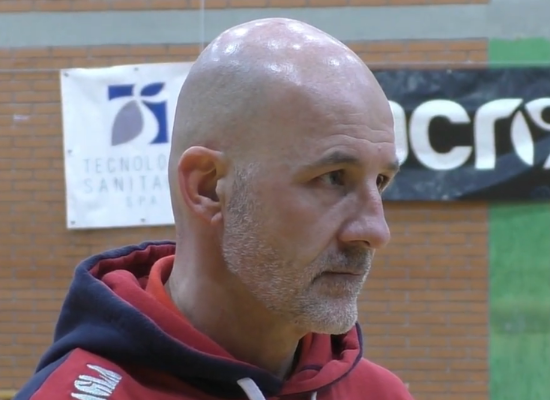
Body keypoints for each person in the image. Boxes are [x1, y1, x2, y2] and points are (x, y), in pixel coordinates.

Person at [15, 17, 413, 400]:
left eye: (380, 181)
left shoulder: (382, 393)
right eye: (333, 177)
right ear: (207, 187)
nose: (376, 231)